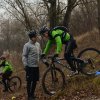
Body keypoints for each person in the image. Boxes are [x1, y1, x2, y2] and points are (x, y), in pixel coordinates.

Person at [22, 30, 41, 100]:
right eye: (35, 37)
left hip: (36, 66)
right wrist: (25, 65)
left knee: (35, 81)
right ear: (31, 37)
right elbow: (24, 56)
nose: (36, 38)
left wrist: (45, 61)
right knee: (29, 81)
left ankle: (32, 94)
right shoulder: (26, 45)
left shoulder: (38, 44)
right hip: (29, 67)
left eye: (36, 36)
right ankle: (29, 96)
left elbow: (40, 54)